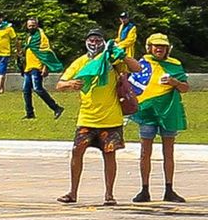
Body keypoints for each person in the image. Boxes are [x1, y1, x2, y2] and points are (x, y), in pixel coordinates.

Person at [54, 28, 143, 205]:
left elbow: (137, 67)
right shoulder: (80, 62)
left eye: (98, 40)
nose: (94, 44)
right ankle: (72, 192)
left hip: (111, 118)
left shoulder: (112, 60)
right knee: (76, 151)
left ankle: (109, 194)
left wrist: (122, 55)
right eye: (91, 40)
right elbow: (59, 84)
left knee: (109, 155)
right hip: (87, 117)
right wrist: (70, 84)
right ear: (86, 42)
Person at [129, 33, 189, 203]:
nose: (159, 49)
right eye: (156, 46)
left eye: (162, 46)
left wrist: (174, 82)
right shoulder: (143, 63)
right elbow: (134, 84)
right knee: (144, 152)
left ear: (167, 49)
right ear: (149, 47)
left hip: (168, 112)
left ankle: (169, 189)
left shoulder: (174, 65)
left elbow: (185, 88)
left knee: (168, 152)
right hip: (147, 112)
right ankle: (144, 189)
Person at [19, 17, 64, 120]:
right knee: (26, 91)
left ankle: (56, 108)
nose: (31, 27)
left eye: (33, 26)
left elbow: (46, 52)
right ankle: (30, 113)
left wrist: (45, 67)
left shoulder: (41, 37)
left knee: (38, 89)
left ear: (37, 25)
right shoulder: (30, 37)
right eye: (29, 26)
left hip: (37, 67)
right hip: (28, 68)